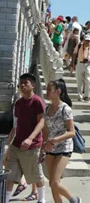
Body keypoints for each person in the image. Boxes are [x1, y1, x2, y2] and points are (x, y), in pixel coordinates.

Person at [5, 73, 47, 203]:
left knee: (36, 175)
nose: (22, 85)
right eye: (20, 83)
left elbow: (42, 122)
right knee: (10, 174)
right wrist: (10, 139)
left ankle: (42, 199)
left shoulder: (37, 101)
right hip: (16, 145)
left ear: (33, 85)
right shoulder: (18, 103)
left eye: (25, 83)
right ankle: (5, 200)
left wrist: (30, 138)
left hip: (32, 146)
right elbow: (16, 124)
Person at [43, 79, 82, 203]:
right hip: (50, 148)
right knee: (53, 183)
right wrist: (43, 145)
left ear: (58, 91)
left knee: (54, 182)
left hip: (64, 147)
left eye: (50, 89)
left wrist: (55, 140)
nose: (46, 92)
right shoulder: (47, 108)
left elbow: (71, 132)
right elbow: (45, 130)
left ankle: (74, 200)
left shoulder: (65, 109)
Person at [73, 34, 90, 102]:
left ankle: (86, 96)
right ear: (83, 40)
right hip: (80, 63)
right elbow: (74, 53)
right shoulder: (79, 45)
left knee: (88, 81)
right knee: (79, 81)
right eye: (86, 40)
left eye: (88, 41)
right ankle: (80, 96)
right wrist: (73, 64)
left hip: (88, 65)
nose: (87, 42)